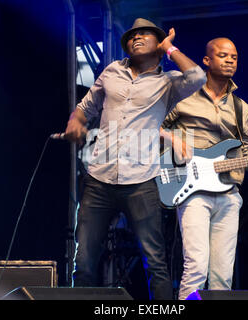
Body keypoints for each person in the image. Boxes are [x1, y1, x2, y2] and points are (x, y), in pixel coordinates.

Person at [64, 18, 206, 300]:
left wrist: (171, 49)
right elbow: (84, 108)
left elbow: (198, 78)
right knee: (84, 262)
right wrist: (75, 122)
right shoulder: (111, 71)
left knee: (155, 262)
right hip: (99, 179)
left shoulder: (169, 83)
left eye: (144, 34)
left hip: (141, 182)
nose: (136, 38)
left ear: (158, 42)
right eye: (132, 36)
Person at [160, 37, 248, 300]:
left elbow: (246, 155)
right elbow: (153, 126)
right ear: (207, 60)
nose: (229, 60)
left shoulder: (241, 107)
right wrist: (173, 138)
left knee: (222, 276)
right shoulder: (183, 95)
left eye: (234, 57)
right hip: (192, 189)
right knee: (196, 267)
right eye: (223, 55)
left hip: (228, 193)